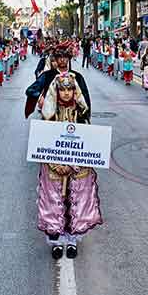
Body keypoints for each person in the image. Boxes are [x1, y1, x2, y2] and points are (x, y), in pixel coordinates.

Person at [34, 67, 100, 259]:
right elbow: (43, 143)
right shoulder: (49, 115)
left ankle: (71, 240)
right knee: (55, 201)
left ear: (74, 91)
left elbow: (86, 144)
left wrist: (73, 165)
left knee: (75, 200)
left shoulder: (81, 115)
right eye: (62, 90)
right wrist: (56, 165)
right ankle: (56, 241)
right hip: (54, 165)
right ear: (56, 91)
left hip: (76, 166)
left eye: (69, 89)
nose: (65, 93)